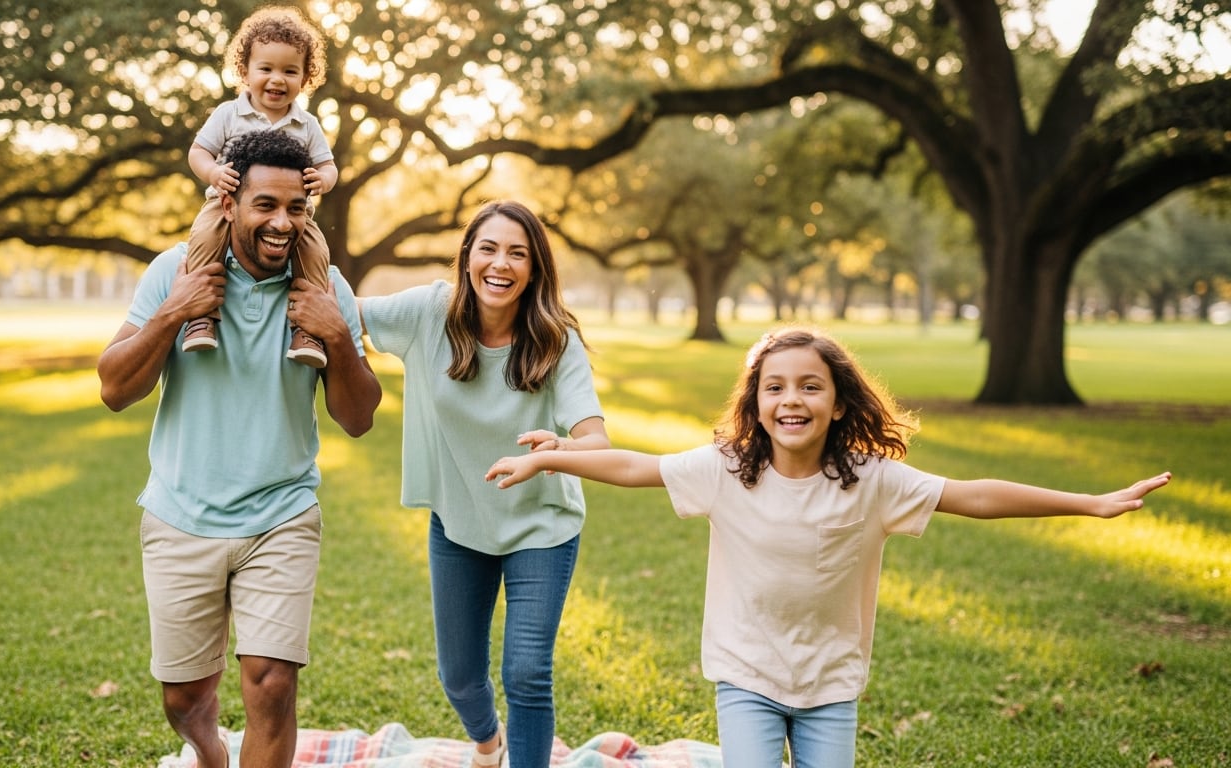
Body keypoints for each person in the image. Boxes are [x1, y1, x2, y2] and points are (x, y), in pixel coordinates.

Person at [484, 326, 1172, 768]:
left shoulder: (875, 481)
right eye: (775, 387)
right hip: (747, 676)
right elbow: (636, 467)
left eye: (811, 386)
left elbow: (976, 495)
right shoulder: (726, 469)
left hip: (831, 685)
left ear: (839, 404)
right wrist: (555, 459)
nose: (792, 399)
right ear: (755, 403)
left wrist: (1088, 503)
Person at [98, 129, 381, 768]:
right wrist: (174, 313)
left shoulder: (324, 285)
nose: (282, 223)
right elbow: (115, 387)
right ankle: (209, 752)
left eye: (296, 209)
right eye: (266, 206)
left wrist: (337, 336)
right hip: (179, 513)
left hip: (281, 514)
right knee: (184, 698)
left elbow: (358, 419)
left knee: (273, 684)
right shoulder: (177, 270)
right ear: (229, 203)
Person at [357, 200, 611, 768]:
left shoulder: (555, 340)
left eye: (518, 253)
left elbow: (598, 445)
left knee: (527, 672)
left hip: (540, 526)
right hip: (459, 522)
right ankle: (487, 742)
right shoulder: (429, 312)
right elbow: (339, 310)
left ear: (535, 269)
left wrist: (550, 455)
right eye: (489, 248)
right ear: (467, 256)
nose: (501, 264)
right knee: (460, 677)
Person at [182, 4, 338, 368]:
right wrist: (213, 174)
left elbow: (329, 165)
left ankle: (307, 330)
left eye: (290, 71)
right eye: (265, 68)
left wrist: (323, 180)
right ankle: (201, 317)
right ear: (245, 71)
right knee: (203, 240)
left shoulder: (306, 124)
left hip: (293, 213)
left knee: (316, 253)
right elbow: (198, 152)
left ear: (305, 77)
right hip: (223, 204)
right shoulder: (228, 114)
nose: (277, 79)